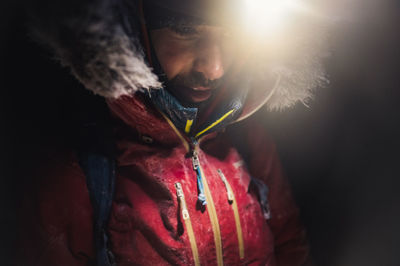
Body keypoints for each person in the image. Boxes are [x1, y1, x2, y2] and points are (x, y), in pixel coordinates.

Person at [18, 0, 327, 265]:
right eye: (186, 30)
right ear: (137, 28)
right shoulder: (81, 161)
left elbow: (288, 241)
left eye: (232, 34)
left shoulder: (247, 137)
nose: (214, 67)